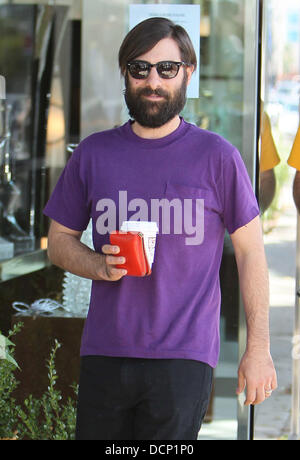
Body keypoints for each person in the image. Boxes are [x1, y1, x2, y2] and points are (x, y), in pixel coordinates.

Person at [43, 17, 277, 440]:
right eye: (140, 68)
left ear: (187, 72)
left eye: (167, 69)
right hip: (105, 352)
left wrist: (258, 348)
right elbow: (58, 242)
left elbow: (251, 252)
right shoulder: (94, 154)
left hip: (183, 358)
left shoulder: (217, 156)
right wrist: (98, 265)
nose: (153, 80)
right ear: (125, 73)